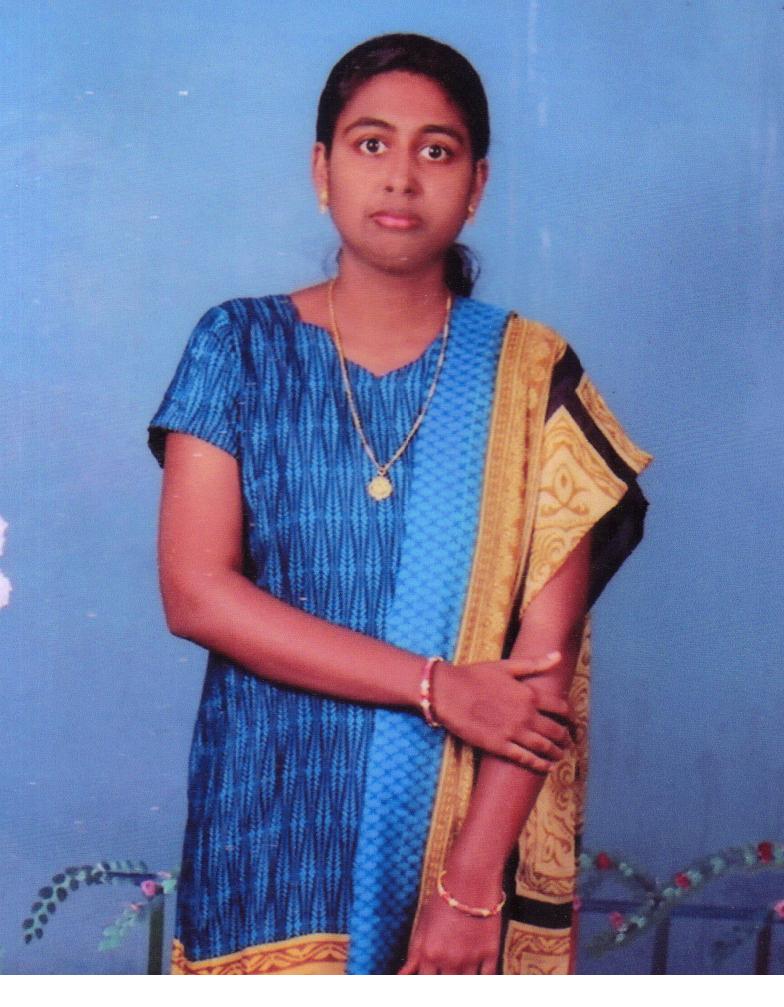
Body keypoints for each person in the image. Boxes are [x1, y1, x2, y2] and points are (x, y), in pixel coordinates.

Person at [148, 33, 651, 976]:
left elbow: (541, 671)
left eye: (437, 150)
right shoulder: (237, 346)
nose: (401, 177)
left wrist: (469, 891)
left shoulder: (531, 373)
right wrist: (435, 685)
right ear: (322, 169)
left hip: (458, 858)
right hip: (266, 832)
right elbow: (196, 593)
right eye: (371, 143)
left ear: (477, 185)